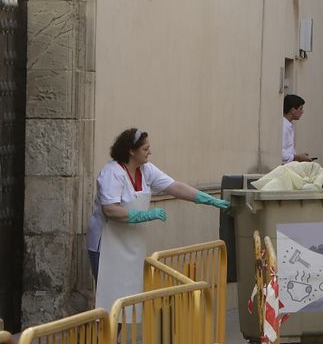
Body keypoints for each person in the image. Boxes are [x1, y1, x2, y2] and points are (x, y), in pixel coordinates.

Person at [88, 127, 229, 308]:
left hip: (131, 244)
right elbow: (110, 210)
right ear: (131, 151)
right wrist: (144, 215)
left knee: (126, 301)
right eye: (145, 149)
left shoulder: (146, 170)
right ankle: (104, 327)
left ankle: (117, 328)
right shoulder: (112, 173)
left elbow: (174, 187)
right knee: (108, 299)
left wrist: (207, 199)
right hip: (106, 245)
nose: (150, 152)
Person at [282, 94, 314, 164]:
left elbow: (289, 150)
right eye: (300, 109)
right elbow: (280, 153)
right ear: (293, 110)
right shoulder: (283, 126)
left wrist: (299, 157)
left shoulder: (289, 125)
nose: (302, 112)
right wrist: (297, 158)